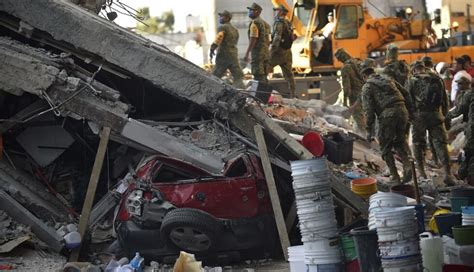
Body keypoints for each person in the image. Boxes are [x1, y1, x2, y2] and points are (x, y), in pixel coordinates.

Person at [360, 67, 413, 184]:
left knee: (385, 146)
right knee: (399, 141)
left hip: (388, 115)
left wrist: (369, 130)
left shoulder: (367, 86)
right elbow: (406, 94)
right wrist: (410, 112)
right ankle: (407, 165)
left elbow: (368, 111)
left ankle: (395, 175)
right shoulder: (389, 79)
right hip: (402, 111)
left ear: (364, 76)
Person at [405, 62, 455, 185]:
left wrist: (410, 117)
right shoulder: (437, 79)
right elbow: (445, 100)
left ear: (414, 70)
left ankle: (422, 172)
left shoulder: (412, 80)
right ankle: (447, 173)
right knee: (440, 144)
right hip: (435, 115)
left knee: (418, 144)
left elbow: (407, 100)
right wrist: (446, 117)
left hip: (419, 117)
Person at [446, 76, 474, 185]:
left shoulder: (469, 95)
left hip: (472, 130)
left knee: (470, 153)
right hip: (469, 127)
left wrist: (446, 116)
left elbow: (458, 111)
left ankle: (467, 178)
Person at [209, 10, 245, 89]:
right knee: (238, 76)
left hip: (223, 55)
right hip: (233, 55)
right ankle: (242, 92)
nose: (220, 18)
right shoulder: (235, 30)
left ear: (227, 18)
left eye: (222, 16)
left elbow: (219, 38)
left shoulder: (223, 27)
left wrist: (212, 48)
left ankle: (210, 89)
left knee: (216, 74)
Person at [334, 48, 366, 135]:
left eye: (338, 58)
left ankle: (365, 140)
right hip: (367, 93)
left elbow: (347, 88)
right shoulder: (358, 62)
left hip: (355, 96)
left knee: (359, 120)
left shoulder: (345, 68)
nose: (338, 60)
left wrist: (345, 103)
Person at [269, 5, 296, 98]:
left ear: (281, 12)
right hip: (288, 51)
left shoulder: (279, 23)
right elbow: (293, 37)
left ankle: (262, 93)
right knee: (289, 74)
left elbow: (277, 37)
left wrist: (272, 49)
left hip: (278, 51)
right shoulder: (288, 23)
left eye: (277, 10)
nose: (276, 12)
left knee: (265, 69)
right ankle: (292, 94)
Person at [244, 3, 271, 83]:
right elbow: (269, 40)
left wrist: (247, 53)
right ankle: (266, 95)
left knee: (258, 77)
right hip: (266, 54)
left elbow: (253, 38)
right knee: (264, 77)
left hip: (258, 55)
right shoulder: (267, 25)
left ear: (257, 12)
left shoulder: (255, 23)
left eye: (251, 10)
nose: (249, 12)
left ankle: (260, 95)